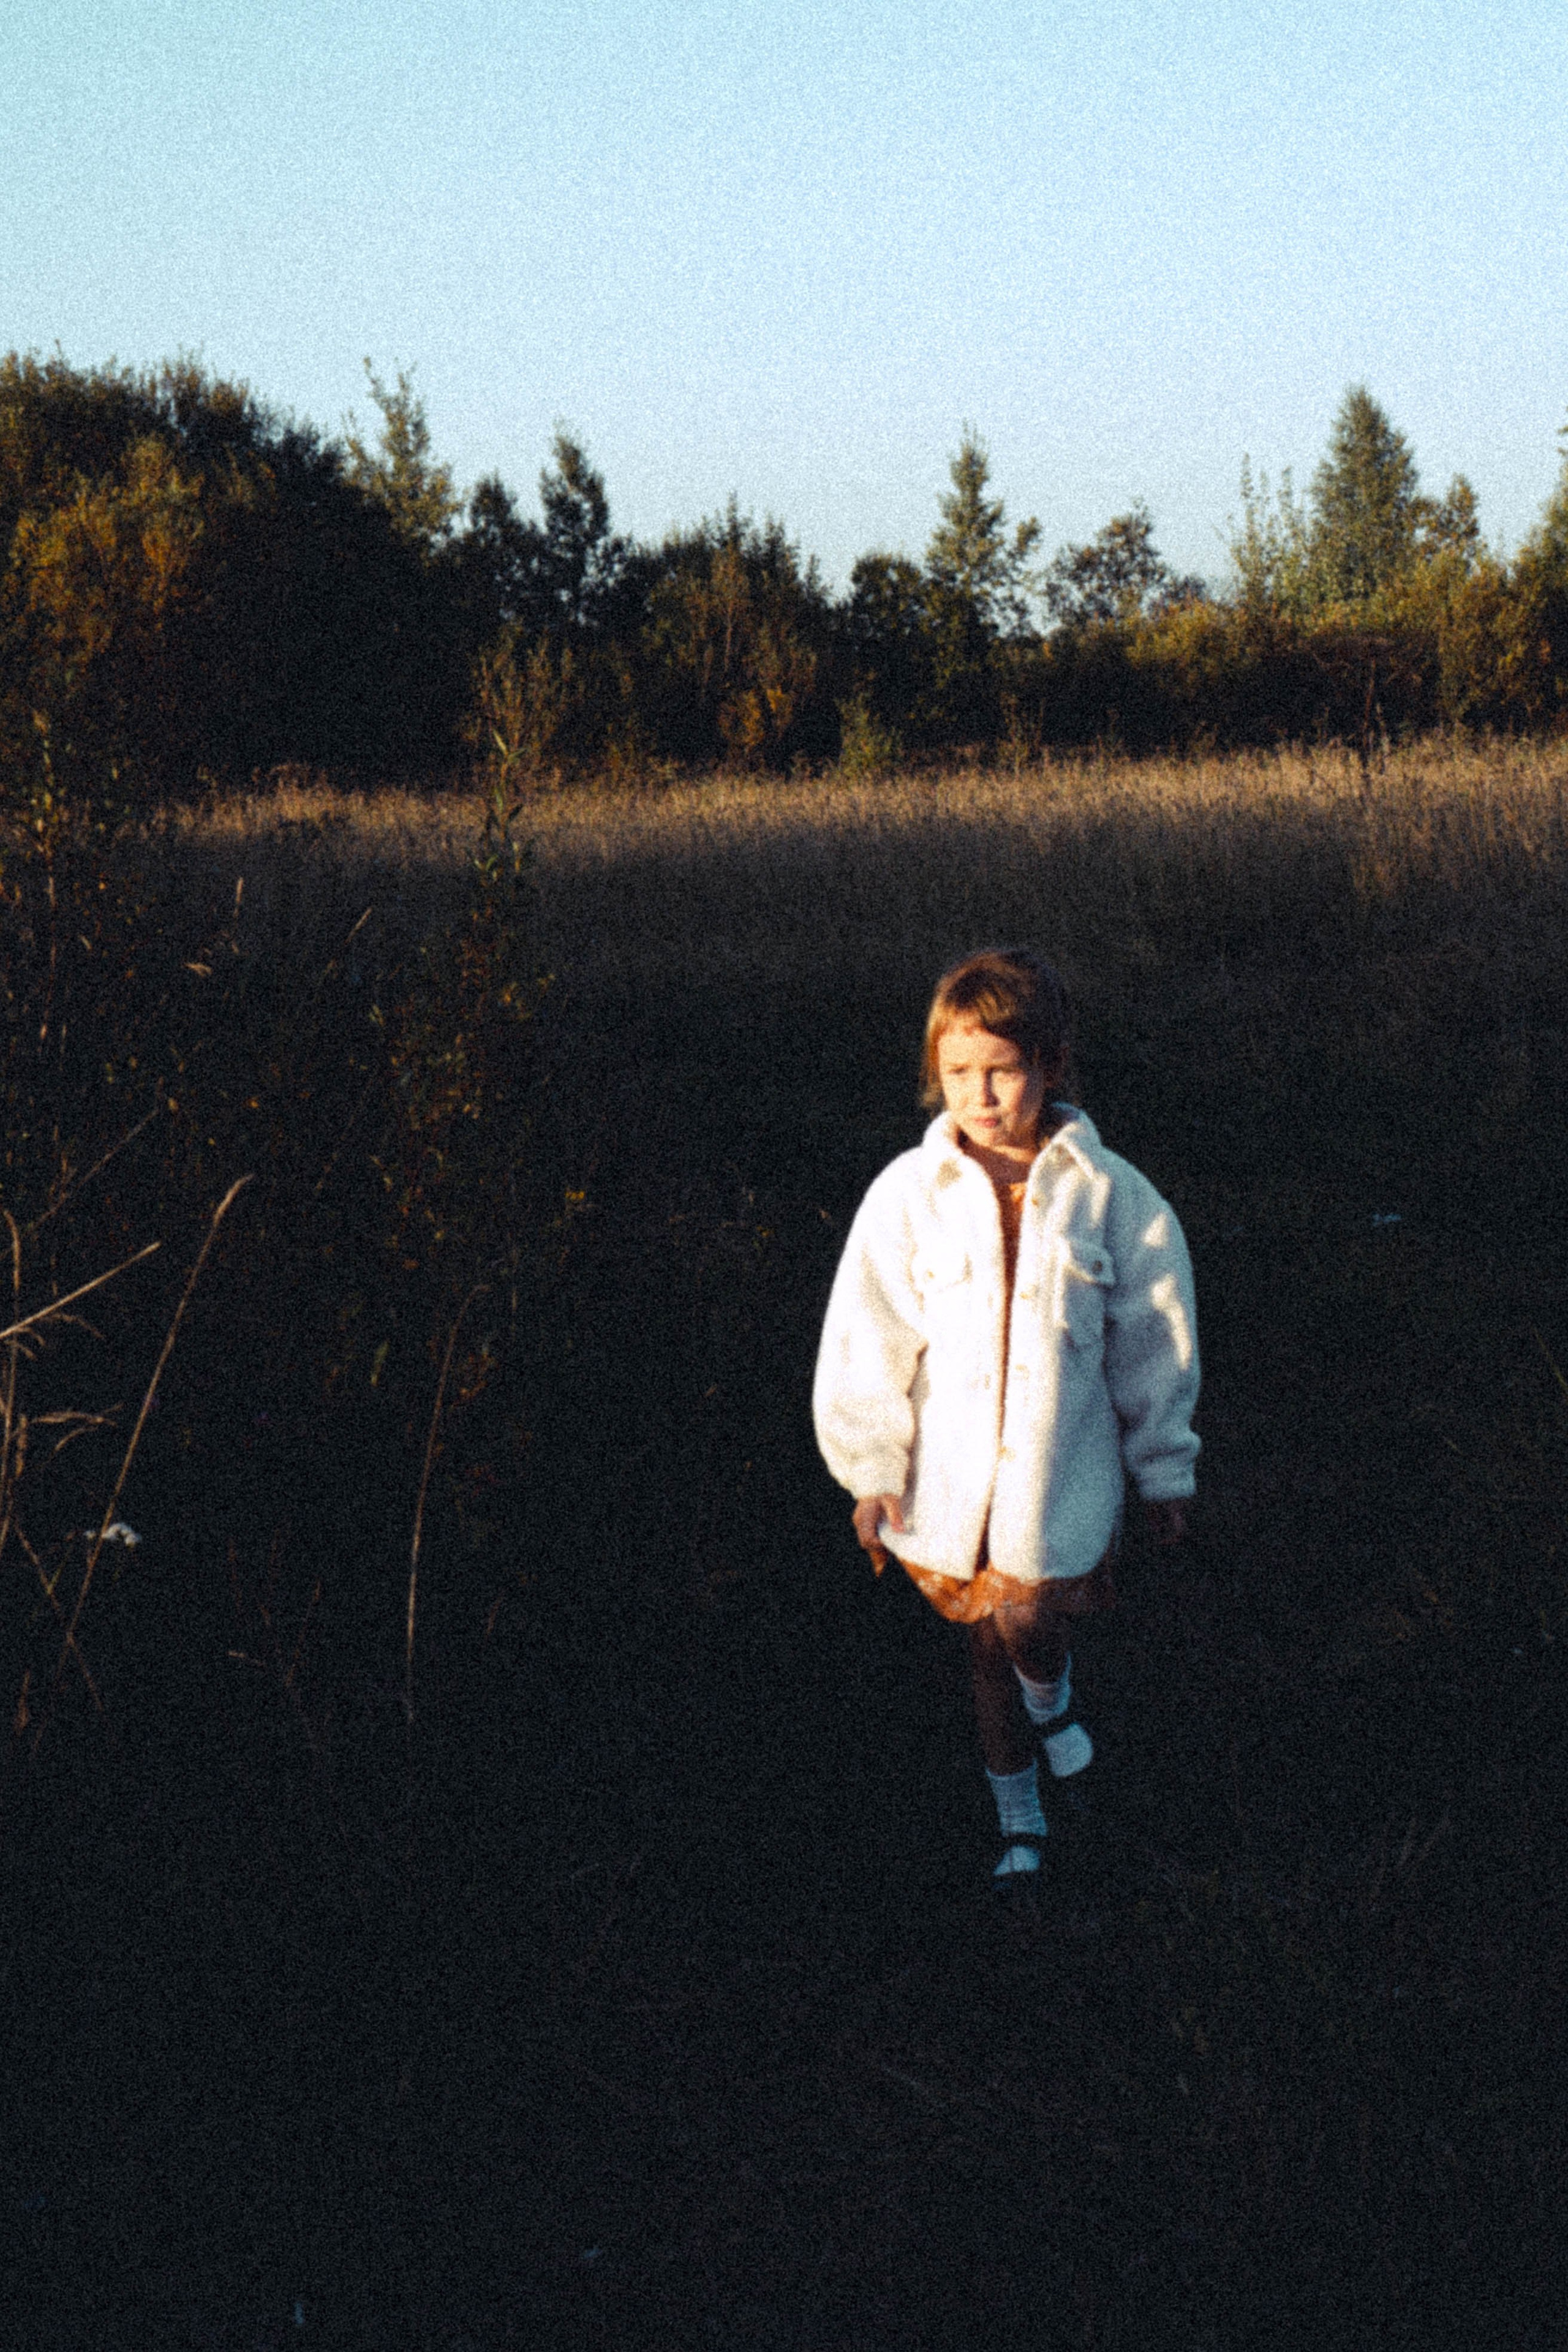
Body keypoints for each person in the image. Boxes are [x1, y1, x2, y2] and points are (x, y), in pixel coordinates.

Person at [813, 947, 1199, 1891]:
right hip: (954, 1480)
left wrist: (1164, 1467)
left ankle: (1053, 1700)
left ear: (1050, 1066)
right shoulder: (908, 1194)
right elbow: (870, 1335)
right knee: (984, 1648)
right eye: (958, 1072)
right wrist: (873, 1468)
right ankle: (1019, 1821)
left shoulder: (1113, 1195)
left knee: (1029, 1616)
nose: (980, 1096)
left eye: (1003, 1070)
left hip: (1062, 1471)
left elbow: (1157, 1337)